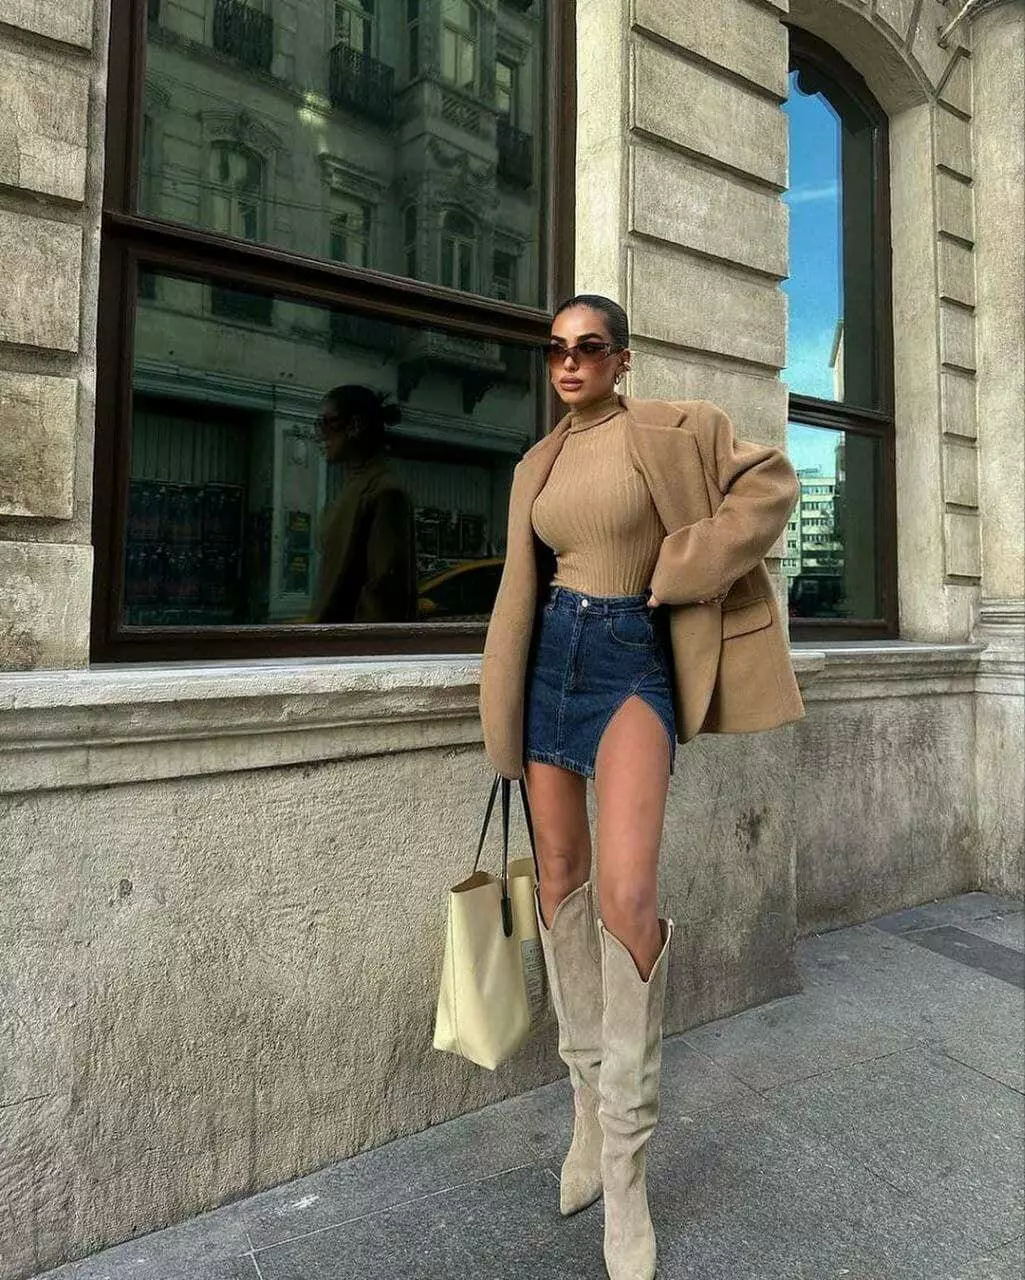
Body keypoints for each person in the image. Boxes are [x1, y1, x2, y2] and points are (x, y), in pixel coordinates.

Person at [478, 295, 804, 1280]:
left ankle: (625, 1168)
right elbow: (521, 581)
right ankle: (586, 1109)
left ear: (621, 359)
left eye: (588, 348)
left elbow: (770, 484)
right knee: (558, 879)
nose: (568, 364)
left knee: (625, 897)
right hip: (550, 662)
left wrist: (681, 567)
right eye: (555, 350)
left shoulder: (675, 427)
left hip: (630, 660)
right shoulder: (536, 464)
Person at [309, 384, 418, 624]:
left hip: (350, 642)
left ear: (355, 426)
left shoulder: (385, 492)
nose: (321, 435)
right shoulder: (355, 485)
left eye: (327, 423)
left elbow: (384, 594)